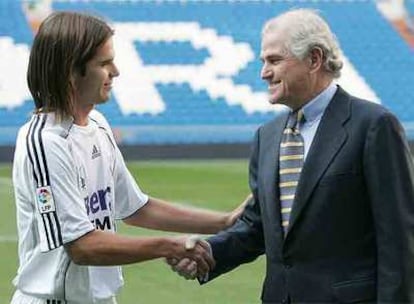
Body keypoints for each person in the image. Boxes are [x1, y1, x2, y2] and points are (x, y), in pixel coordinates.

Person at [168, 8, 414, 303]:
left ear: (314, 59)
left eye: (274, 60)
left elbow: (399, 240)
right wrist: (208, 254)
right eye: (263, 62)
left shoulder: (373, 126)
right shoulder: (267, 136)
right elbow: (258, 226)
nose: (263, 73)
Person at [11, 11, 246, 304]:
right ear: (72, 71)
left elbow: (136, 208)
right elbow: (81, 247)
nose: (116, 71)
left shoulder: (97, 125)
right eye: (104, 63)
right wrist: (167, 246)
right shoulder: (45, 142)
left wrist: (224, 222)